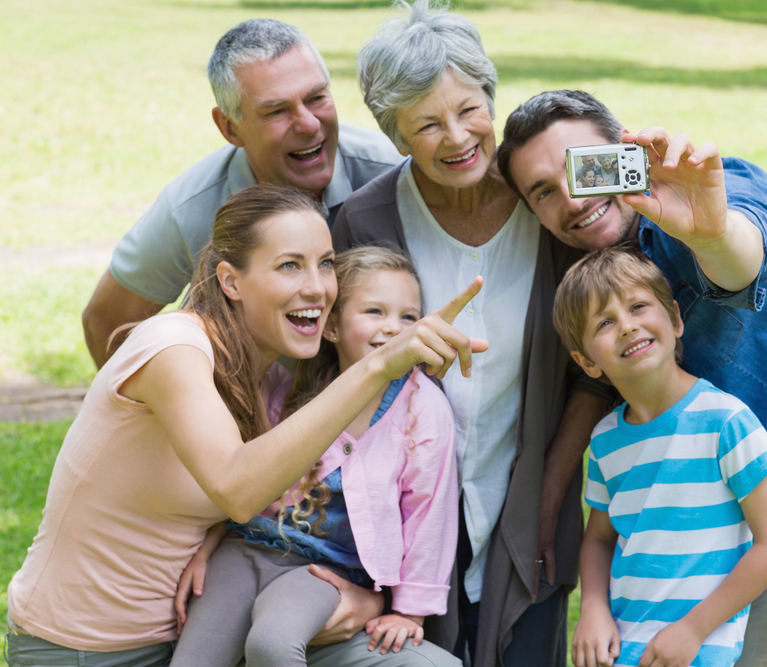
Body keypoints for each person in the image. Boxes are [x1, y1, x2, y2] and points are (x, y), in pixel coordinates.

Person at [496, 90, 767, 667]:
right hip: (738, 492)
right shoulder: (619, 280)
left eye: (585, 168)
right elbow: (604, 385)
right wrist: (552, 494)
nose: (574, 199)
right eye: (544, 192)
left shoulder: (720, 194)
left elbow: (737, 261)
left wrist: (707, 232)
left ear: (625, 150)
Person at [6, 184, 478, 667]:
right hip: (90, 649)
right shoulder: (175, 349)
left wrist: (372, 598)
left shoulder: (276, 377)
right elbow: (238, 489)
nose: (318, 287)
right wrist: (378, 369)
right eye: (290, 265)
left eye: (327, 263)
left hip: (223, 619)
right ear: (231, 282)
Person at [332, 4, 615, 666]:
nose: (457, 137)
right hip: (401, 518)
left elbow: (588, 367)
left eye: (468, 109)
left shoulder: (551, 203)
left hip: (532, 501)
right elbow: (334, 371)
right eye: (426, 124)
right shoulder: (364, 222)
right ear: (397, 138)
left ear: (491, 98)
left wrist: (549, 491)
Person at [170, 245, 460, 667]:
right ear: (333, 328)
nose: (395, 328)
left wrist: (409, 611)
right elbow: (244, 473)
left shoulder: (422, 408)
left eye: (409, 316)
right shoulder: (295, 391)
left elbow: (430, 510)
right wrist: (207, 547)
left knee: (271, 645)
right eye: (375, 312)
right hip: (243, 548)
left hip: (321, 572)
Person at [81, 18, 402, 368]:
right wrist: (165, 412)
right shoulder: (191, 206)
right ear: (230, 128)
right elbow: (106, 323)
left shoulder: (394, 174)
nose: (309, 124)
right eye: (277, 111)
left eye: (317, 97)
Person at [553, 248, 767, 667]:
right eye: (605, 322)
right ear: (586, 362)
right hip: (622, 648)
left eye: (638, 307)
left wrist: (694, 629)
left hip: (696, 650)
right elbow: (598, 538)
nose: (627, 327)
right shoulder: (606, 439)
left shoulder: (725, 421)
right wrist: (593, 608)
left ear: (676, 320)